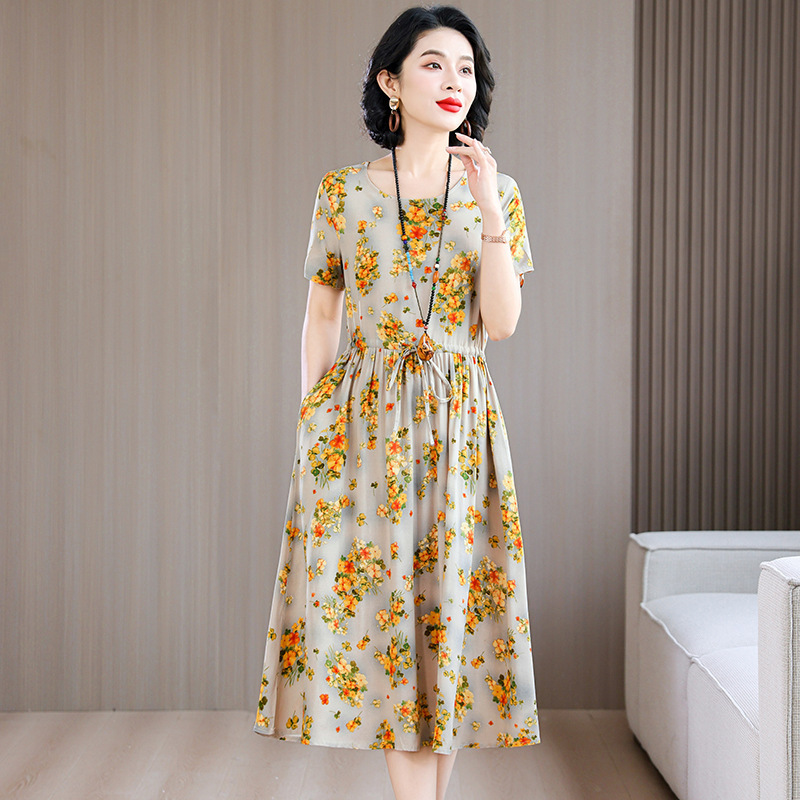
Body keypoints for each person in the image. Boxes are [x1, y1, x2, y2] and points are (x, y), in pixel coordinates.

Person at [254, 6, 539, 799]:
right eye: (433, 64)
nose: (454, 82)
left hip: (461, 425)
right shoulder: (343, 192)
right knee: (389, 623)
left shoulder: (499, 193)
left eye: (466, 69)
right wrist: (312, 426)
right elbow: (321, 316)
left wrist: (488, 212)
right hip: (362, 425)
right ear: (390, 81)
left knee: (446, 622)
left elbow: (502, 324)